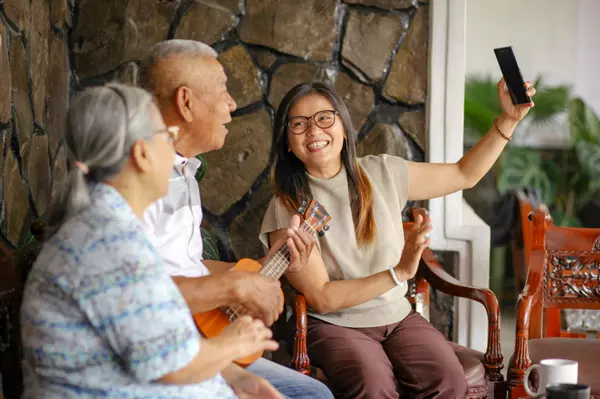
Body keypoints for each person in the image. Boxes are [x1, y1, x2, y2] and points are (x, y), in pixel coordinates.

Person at [259, 79, 536, 398]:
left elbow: (464, 174)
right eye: (299, 124)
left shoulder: (383, 173)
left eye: (324, 117)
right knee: (373, 385)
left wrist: (509, 119)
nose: (314, 131)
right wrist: (398, 273)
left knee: (449, 380)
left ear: (344, 127)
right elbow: (322, 297)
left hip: (398, 316)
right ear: (287, 142)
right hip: (335, 325)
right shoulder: (287, 207)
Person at [20, 84, 280, 398]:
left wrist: (238, 379)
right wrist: (234, 343)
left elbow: (159, 341)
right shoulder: (107, 241)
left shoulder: (111, 229)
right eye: (168, 137)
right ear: (142, 154)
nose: (174, 151)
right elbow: (172, 365)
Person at [138, 40, 334, 399]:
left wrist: (264, 267)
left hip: (197, 334)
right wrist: (235, 288)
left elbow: (187, 265)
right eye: (223, 89)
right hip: (162, 351)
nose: (232, 104)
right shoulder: (138, 180)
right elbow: (135, 296)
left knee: (313, 393)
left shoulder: (183, 171)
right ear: (186, 102)